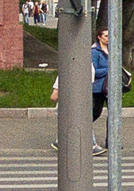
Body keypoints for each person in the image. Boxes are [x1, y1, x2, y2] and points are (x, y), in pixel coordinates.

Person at [48, 26, 114, 155]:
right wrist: (56, 91)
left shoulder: (84, 55)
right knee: (82, 117)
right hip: (76, 91)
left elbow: (90, 73)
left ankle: (61, 140)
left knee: (81, 117)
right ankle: (91, 145)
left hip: (85, 89)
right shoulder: (82, 54)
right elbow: (64, 74)